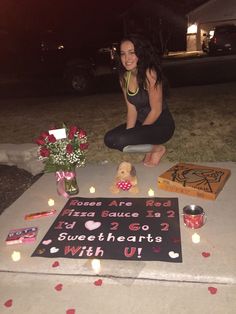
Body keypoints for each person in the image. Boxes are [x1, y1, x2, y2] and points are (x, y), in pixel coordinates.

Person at [104, 34, 175, 167]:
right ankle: (150, 147)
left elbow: (156, 110)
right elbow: (131, 109)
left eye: (132, 53)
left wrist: (137, 134)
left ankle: (157, 149)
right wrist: (131, 133)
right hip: (141, 123)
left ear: (140, 54)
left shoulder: (150, 74)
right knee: (110, 139)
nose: (127, 58)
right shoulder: (124, 77)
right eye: (123, 54)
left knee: (122, 140)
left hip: (161, 126)